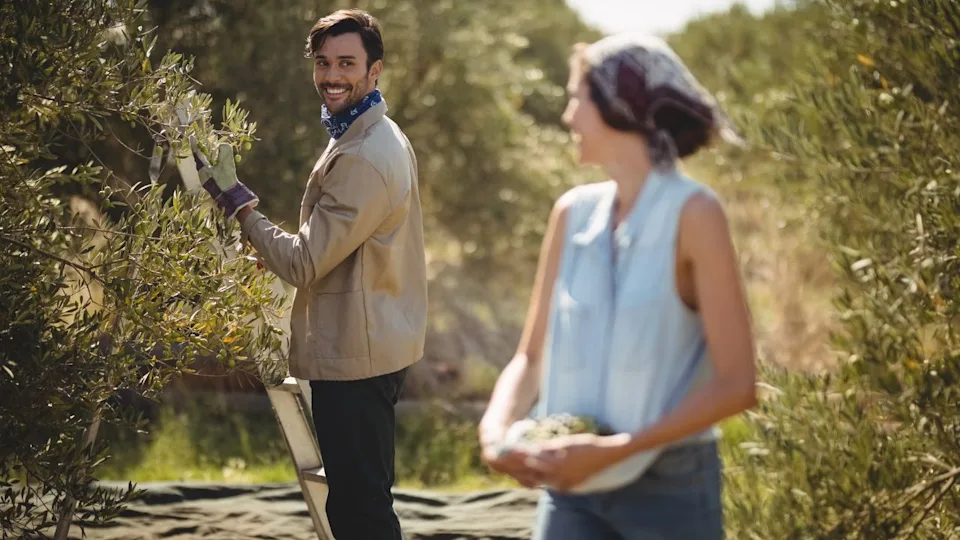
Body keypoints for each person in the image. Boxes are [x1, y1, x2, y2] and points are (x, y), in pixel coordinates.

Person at [478, 33, 757, 539]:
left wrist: (616, 450)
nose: (567, 117)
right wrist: (495, 435)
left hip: (669, 490)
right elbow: (531, 358)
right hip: (570, 495)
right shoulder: (570, 213)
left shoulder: (696, 214)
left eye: (576, 98)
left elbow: (737, 384)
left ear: (619, 104)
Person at [192, 9, 426, 540]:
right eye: (323, 63)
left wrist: (237, 202)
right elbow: (336, 248)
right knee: (355, 501)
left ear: (374, 70)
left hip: (359, 354)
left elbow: (303, 261)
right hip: (370, 341)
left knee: (361, 510)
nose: (331, 75)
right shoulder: (365, 131)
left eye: (347, 62)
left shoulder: (366, 154)